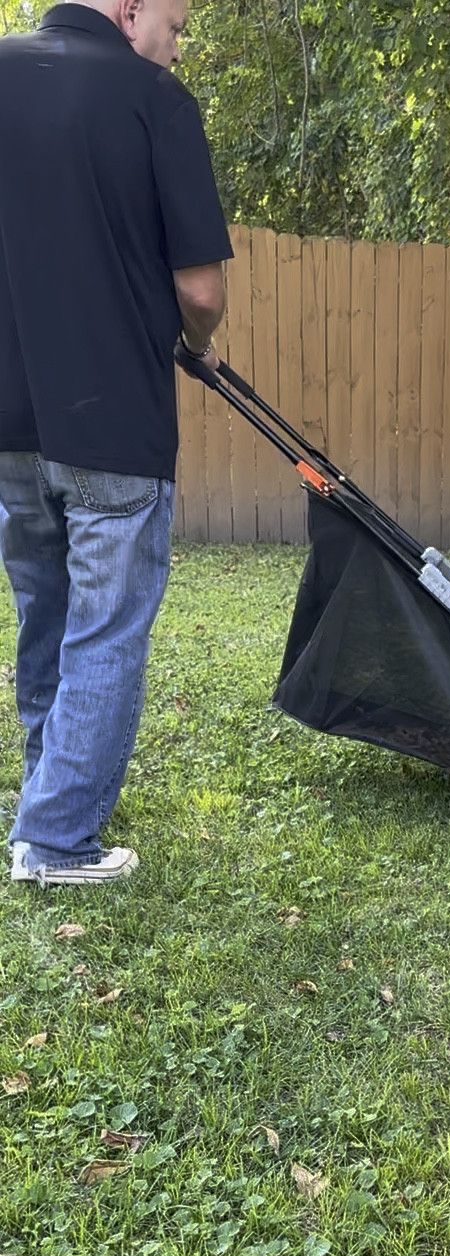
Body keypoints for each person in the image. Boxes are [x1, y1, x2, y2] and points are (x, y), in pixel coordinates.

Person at [0, 0, 231, 884]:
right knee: (104, 628)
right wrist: (195, 346)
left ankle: (48, 796)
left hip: (11, 422)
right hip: (114, 424)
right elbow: (202, 293)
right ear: (131, 7)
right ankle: (55, 841)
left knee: (45, 615)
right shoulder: (152, 100)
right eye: (176, 20)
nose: (180, 41)